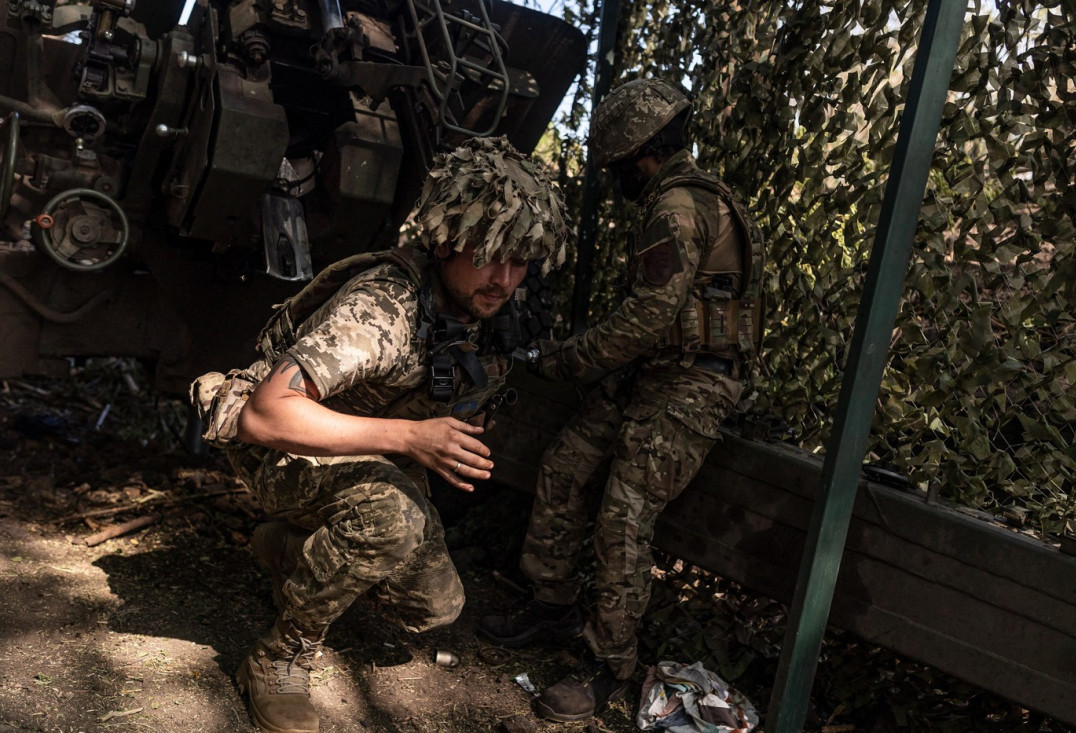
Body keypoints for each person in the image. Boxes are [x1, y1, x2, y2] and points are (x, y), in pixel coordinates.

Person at [190, 136, 569, 733]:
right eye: (490, 255)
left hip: (366, 447)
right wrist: (412, 439)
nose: (504, 278)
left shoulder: (492, 308)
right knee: (390, 519)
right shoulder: (385, 306)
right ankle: (278, 659)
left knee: (435, 607)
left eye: (520, 261)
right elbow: (267, 414)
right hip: (279, 449)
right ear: (447, 240)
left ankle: (288, 550)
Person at [477, 78, 765, 722]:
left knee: (623, 517)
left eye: (615, 169)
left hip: (692, 383)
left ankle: (609, 663)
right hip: (653, 372)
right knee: (566, 465)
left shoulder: (678, 208)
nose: (613, 182)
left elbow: (646, 320)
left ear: (641, 156)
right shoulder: (682, 200)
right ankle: (552, 604)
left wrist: (563, 362)